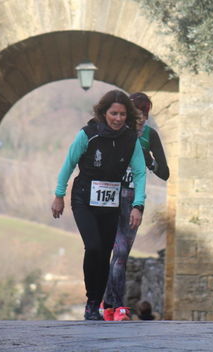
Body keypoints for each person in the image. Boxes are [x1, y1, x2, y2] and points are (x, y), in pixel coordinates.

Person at [51, 90, 146, 320]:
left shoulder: (130, 139)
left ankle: (94, 303)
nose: (118, 118)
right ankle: (91, 298)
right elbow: (69, 163)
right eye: (114, 113)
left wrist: (138, 205)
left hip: (110, 202)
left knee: (104, 253)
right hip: (83, 198)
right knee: (93, 247)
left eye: (123, 114)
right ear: (104, 113)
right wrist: (59, 195)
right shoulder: (88, 134)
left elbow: (140, 172)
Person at [101, 92, 170, 321]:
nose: (141, 119)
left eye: (144, 114)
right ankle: (109, 304)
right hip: (109, 197)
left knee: (121, 253)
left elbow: (165, 173)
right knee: (106, 253)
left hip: (132, 199)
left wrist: (148, 159)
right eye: (137, 114)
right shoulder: (116, 133)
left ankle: (114, 305)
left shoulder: (150, 136)